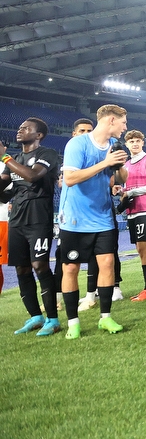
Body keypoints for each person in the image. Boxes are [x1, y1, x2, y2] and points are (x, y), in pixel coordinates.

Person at [58, 104, 129, 339]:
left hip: (103, 217)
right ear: (111, 120)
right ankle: (73, 322)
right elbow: (70, 178)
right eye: (123, 122)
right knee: (71, 268)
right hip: (76, 220)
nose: (125, 127)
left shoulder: (112, 146)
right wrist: (105, 163)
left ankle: (105, 318)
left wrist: (119, 166)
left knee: (107, 264)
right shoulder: (77, 144)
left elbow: (118, 178)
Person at [0, 118, 62, 336]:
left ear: (39, 135)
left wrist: (4, 157)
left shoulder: (48, 154)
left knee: (40, 265)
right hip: (16, 219)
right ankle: (36, 317)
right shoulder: (16, 158)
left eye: (26, 128)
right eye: (19, 127)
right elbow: (4, 190)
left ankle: (53, 319)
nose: (20, 130)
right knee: (21, 268)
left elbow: (33, 176)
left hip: (38, 218)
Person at [120, 130, 146, 301]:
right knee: (139, 249)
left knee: (144, 249)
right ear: (126, 144)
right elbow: (125, 188)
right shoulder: (125, 165)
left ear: (143, 142)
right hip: (132, 211)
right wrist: (121, 191)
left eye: (138, 140)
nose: (134, 144)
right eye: (131, 141)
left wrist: (131, 191)